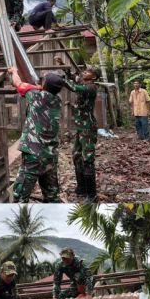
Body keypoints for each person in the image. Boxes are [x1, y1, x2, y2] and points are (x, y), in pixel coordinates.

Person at [8, 66, 64, 203]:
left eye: (43, 80)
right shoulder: (58, 100)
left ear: (45, 85)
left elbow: (18, 84)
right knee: (51, 194)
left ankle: (20, 221)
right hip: (50, 154)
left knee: (20, 196)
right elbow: (42, 89)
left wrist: (14, 72)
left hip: (34, 153)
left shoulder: (36, 95)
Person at [58, 57, 99, 201]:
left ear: (93, 77)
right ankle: (81, 188)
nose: (84, 73)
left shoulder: (91, 87)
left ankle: (91, 194)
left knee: (87, 159)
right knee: (76, 156)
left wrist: (60, 81)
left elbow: (73, 87)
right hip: (81, 128)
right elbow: (73, 77)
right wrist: (63, 65)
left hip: (88, 128)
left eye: (87, 72)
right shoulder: (83, 81)